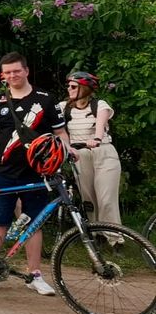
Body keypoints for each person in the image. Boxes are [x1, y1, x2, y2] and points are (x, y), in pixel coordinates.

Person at [0, 51, 70, 296]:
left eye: (16, 71)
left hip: (37, 173)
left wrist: (67, 152)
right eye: (7, 73)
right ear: (3, 75)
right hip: (4, 172)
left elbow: (60, 133)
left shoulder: (46, 99)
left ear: (26, 71)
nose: (12, 75)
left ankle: (34, 275)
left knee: (33, 224)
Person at [60, 71, 123, 240]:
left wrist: (96, 138)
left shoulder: (99, 105)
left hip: (103, 151)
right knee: (88, 199)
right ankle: (96, 235)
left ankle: (115, 238)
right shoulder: (63, 108)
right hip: (80, 155)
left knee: (106, 197)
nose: (69, 89)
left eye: (73, 86)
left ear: (85, 89)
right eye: (69, 86)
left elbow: (100, 125)